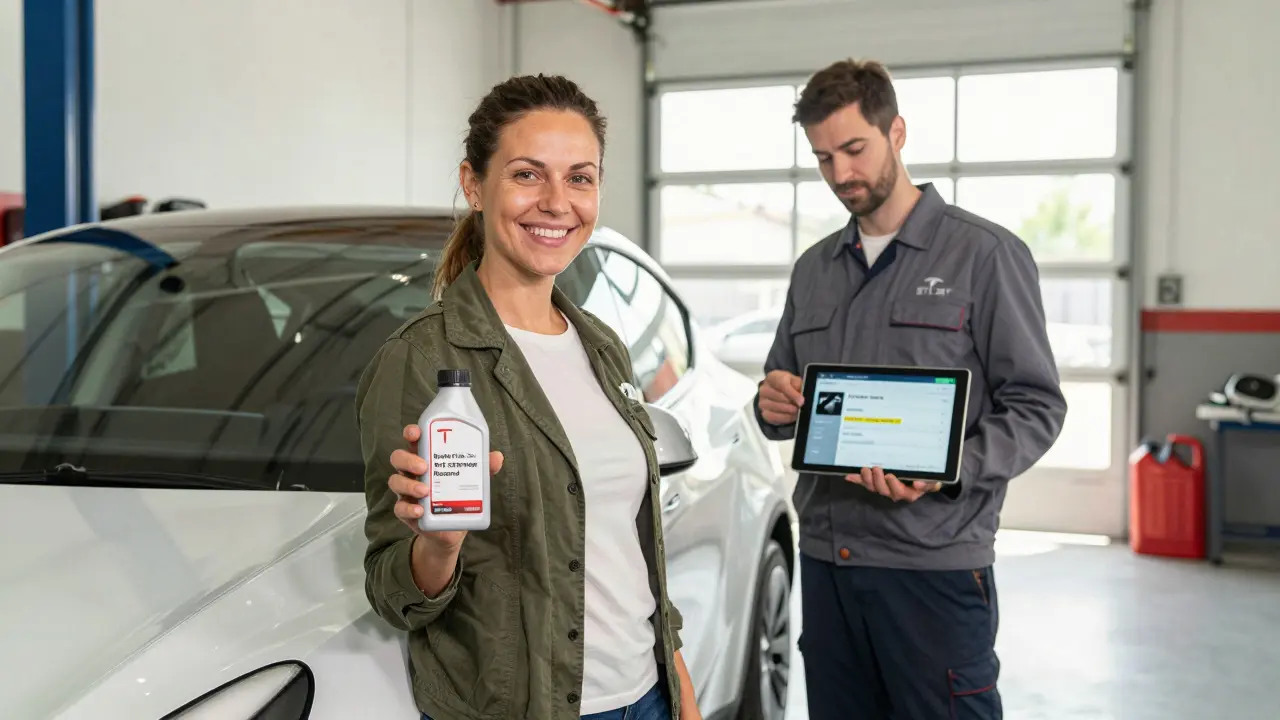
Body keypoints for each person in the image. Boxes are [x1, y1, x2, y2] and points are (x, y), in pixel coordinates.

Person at [356, 74, 700, 720]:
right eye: (526, 175)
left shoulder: (602, 347)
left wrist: (681, 693)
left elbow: (632, 554)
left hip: (648, 698)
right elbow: (392, 590)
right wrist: (438, 545)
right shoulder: (422, 359)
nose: (556, 202)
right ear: (473, 184)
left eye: (579, 178)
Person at [755, 59, 1068, 719]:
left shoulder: (985, 256)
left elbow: (1038, 407)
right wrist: (770, 404)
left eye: (854, 149)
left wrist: (948, 470)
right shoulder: (814, 270)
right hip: (828, 565)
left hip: (932, 568)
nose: (841, 173)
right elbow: (783, 399)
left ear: (896, 132)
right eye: (822, 157)